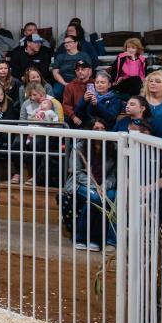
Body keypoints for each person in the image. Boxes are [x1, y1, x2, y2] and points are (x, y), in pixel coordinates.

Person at [65, 121, 117, 252]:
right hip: (81, 184)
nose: (99, 131)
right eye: (96, 128)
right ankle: (81, 238)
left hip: (106, 185)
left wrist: (104, 186)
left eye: (102, 128)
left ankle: (96, 239)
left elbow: (114, 174)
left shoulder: (114, 147)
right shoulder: (79, 146)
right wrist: (95, 187)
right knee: (95, 199)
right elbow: (76, 172)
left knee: (110, 198)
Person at [51, 35, 94, 100]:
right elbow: (55, 73)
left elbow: (89, 71)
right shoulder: (60, 57)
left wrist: (82, 82)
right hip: (63, 82)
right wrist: (65, 83)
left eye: (69, 42)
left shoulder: (84, 55)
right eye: (65, 43)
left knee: (85, 93)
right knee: (56, 92)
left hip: (81, 81)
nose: (66, 44)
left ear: (76, 43)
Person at [62, 60, 96, 128]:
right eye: (77, 70)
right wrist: (73, 117)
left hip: (93, 116)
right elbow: (66, 105)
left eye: (83, 69)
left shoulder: (96, 83)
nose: (80, 71)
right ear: (75, 72)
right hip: (76, 116)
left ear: (89, 71)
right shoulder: (69, 86)